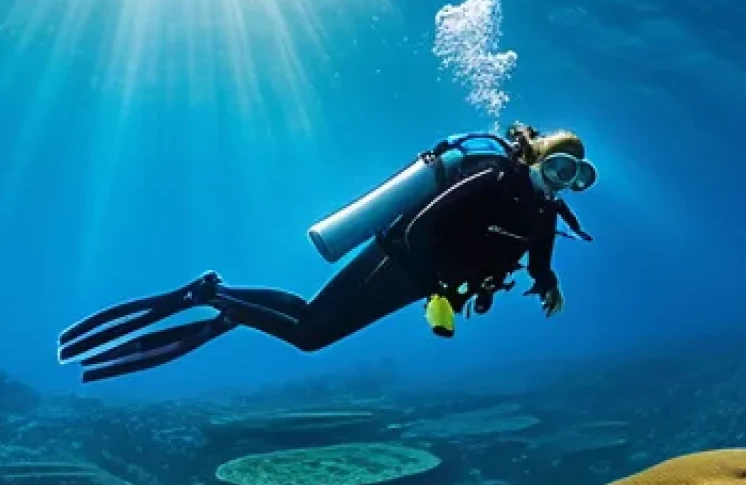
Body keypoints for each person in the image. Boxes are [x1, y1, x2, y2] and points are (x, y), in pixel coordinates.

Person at [57, 123, 597, 383]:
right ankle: (218, 300)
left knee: (311, 320)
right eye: (556, 166)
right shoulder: (495, 178)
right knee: (312, 334)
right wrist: (435, 289)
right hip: (396, 261)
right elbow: (422, 227)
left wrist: (549, 285)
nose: (561, 180)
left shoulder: (544, 213)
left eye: (573, 176)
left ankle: (216, 295)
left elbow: (537, 259)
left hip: (416, 283)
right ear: (536, 159)